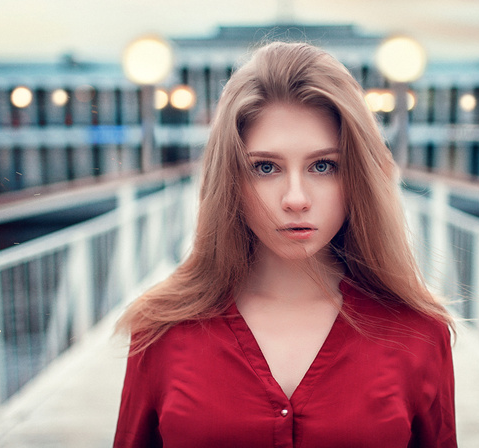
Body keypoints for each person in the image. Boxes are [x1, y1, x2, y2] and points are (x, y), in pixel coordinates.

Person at [114, 41, 457, 447]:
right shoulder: (160, 331)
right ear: (231, 181)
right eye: (265, 167)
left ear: (357, 178)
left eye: (323, 165)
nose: (295, 198)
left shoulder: (417, 333)